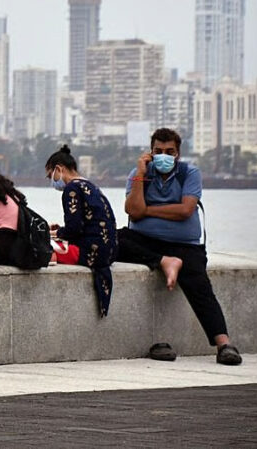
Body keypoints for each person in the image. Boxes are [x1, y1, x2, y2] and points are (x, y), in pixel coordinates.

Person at [117, 128, 242, 365]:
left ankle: (224, 344)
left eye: (169, 151)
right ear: (150, 152)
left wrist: (147, 210)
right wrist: (141, 174)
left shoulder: (189, 173)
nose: (163, 156)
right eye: (158, 151)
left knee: (200, 285)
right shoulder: (139, 173)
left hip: (184, 245)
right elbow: (132, 210)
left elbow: (185, 210)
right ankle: (164, 261)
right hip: (145, 240)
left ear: (178, 153)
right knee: (112, 239)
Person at [44, 145, 117, 317]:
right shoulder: (90, 186)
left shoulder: (71, 189)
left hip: (91, 253)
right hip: (109, 252)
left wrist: (56, 234)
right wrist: (61, 231)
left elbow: (74, 229)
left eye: (50, 175)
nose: (51, 181)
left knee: (43, 246)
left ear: (59, 169)